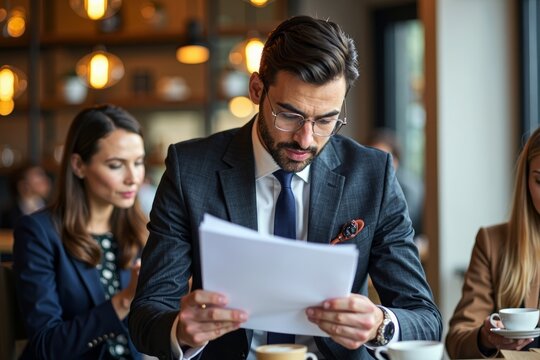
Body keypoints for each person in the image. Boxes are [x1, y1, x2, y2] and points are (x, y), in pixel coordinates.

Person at [129, 15, 441, 360]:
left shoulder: (371, 174)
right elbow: (146, 314)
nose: (305, 139)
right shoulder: (191, 170)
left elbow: (425, 317)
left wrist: (379, 324)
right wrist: (181, 330)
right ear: (257, 90)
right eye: (289, 115)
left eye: (326, 121)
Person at [13, 104, 148, 359]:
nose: (133, 178)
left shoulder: (141, 230)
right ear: (78, 165)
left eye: (138, 162)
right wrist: (125, 299)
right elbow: (46, 346)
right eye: (116, 165)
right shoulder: (39, 233)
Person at [446, 127, 540, 359]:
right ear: (526, 181)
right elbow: (457, 340)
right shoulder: (493, 243)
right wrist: (485, 338)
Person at [1, 163, 51, 229]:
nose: (46, 180)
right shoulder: (7, 216)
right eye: (39, 175)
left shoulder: (54, 211)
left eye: (44, 175)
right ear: (23, 185)